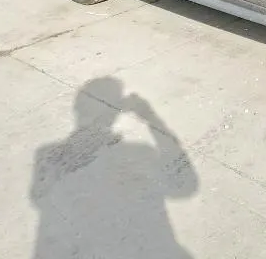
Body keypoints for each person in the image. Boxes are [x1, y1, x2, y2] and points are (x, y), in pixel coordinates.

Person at [30, 77, 198, 259]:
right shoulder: (141, 152)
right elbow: (185, 187)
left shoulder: (47, 154)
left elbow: (39, 197)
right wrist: (151, 117)